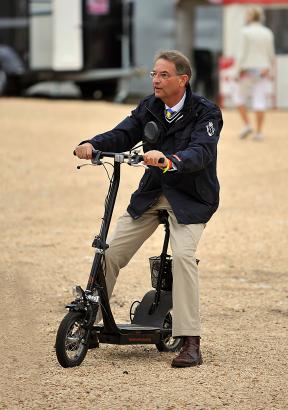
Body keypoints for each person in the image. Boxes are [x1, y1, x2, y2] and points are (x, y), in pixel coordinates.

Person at [75, 50, 223, 368]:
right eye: (153, 74)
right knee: (110, 251)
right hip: (152, 194)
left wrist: (171, 160)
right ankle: (89, 322)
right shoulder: (150, 106)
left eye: (163, 75)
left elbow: (202, 151)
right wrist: (92, 144)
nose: (155, 80)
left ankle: (190, 341)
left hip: (191, 200)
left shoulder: (206, 112)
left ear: (183, 80)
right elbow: (124, 133)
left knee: (183, 258)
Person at [233, 7, 275, 141]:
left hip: (247, 70)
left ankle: (247, 124)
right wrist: (271, 70)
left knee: (238, 97)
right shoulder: (268, 33)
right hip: (263, 69)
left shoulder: (245, 32)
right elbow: (271, 54)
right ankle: (259, 132)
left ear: (251, 17)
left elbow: (241, 54)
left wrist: (236, 71)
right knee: (260, 100)